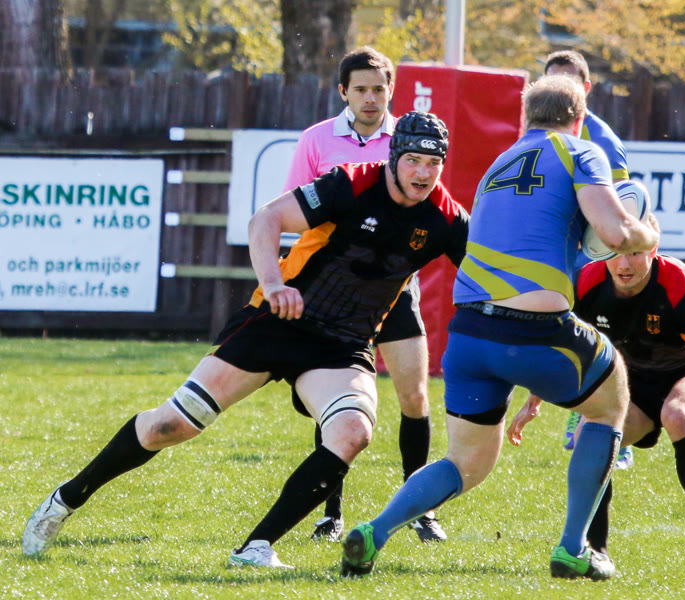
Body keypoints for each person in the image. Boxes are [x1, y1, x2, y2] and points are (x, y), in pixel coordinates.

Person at [21, 111, 469, 569]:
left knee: (353, 431)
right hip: (278, 322)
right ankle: (65, 499)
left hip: (343, 344)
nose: (423, 173)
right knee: (168, 427)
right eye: (413, 160)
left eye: (434, 163)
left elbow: (487, 274)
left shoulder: (447, 218)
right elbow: (266, 219)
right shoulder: (351, 183)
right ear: (393, 158)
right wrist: (273, 285)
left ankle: (256, 548)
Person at [340, 75, 659, 581]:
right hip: (534, 330)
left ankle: (374, 530)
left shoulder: (500, 161)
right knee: (610, 396)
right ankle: (573, 548)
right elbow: (615, 232)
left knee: (467, 463)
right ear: (579, 118)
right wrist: (647, 232)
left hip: (469, 334)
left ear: (526, 118)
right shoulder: (581, 150)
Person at [508, 214, 685, 576]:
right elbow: (560, 346)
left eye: (636, 252)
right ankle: (595, 553)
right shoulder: (588, 283)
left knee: (678, 415)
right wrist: (534, 400)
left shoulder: (683, 288)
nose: (624, 264)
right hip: (632, 384)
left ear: (653, 250)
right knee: (589, 436)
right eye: (616, 251)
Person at [283, 46, 446, 543]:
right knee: (337, 402)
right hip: (335, 294)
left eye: (379, 89)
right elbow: (293, 211)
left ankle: (421, 511)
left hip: (395, 289)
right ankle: (330, 513)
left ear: (391, 90)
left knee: (414, 396)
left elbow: (433, 207)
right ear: (343, 92)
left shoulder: (411, 140)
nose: (371, 98)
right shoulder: (315, 140)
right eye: (361, 90)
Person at [542, 50, 633, 460]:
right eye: (552, 82)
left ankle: (614, 429)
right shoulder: (536, 133)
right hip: (551, 254)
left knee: (602, 337)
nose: (560, 91)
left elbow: (621, 207)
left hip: (591, 256)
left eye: (569, 82)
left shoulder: (602, 140)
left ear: (587, 88)